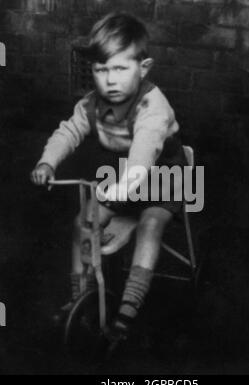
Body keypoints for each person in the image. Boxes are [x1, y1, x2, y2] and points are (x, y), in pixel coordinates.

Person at [31, 12, 187, 355]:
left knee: (150, 225)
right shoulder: (92, 104)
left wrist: (122, 188)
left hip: (163, 175)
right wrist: (48, 160)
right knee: (83, 222)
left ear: (143, 68)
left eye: (120, 69)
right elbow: (69, 130)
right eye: (102, 70)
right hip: (122, 174)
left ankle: (127, 311)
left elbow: (144, 153)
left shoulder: (153, 107)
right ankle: (79, 297)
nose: (109, 80)